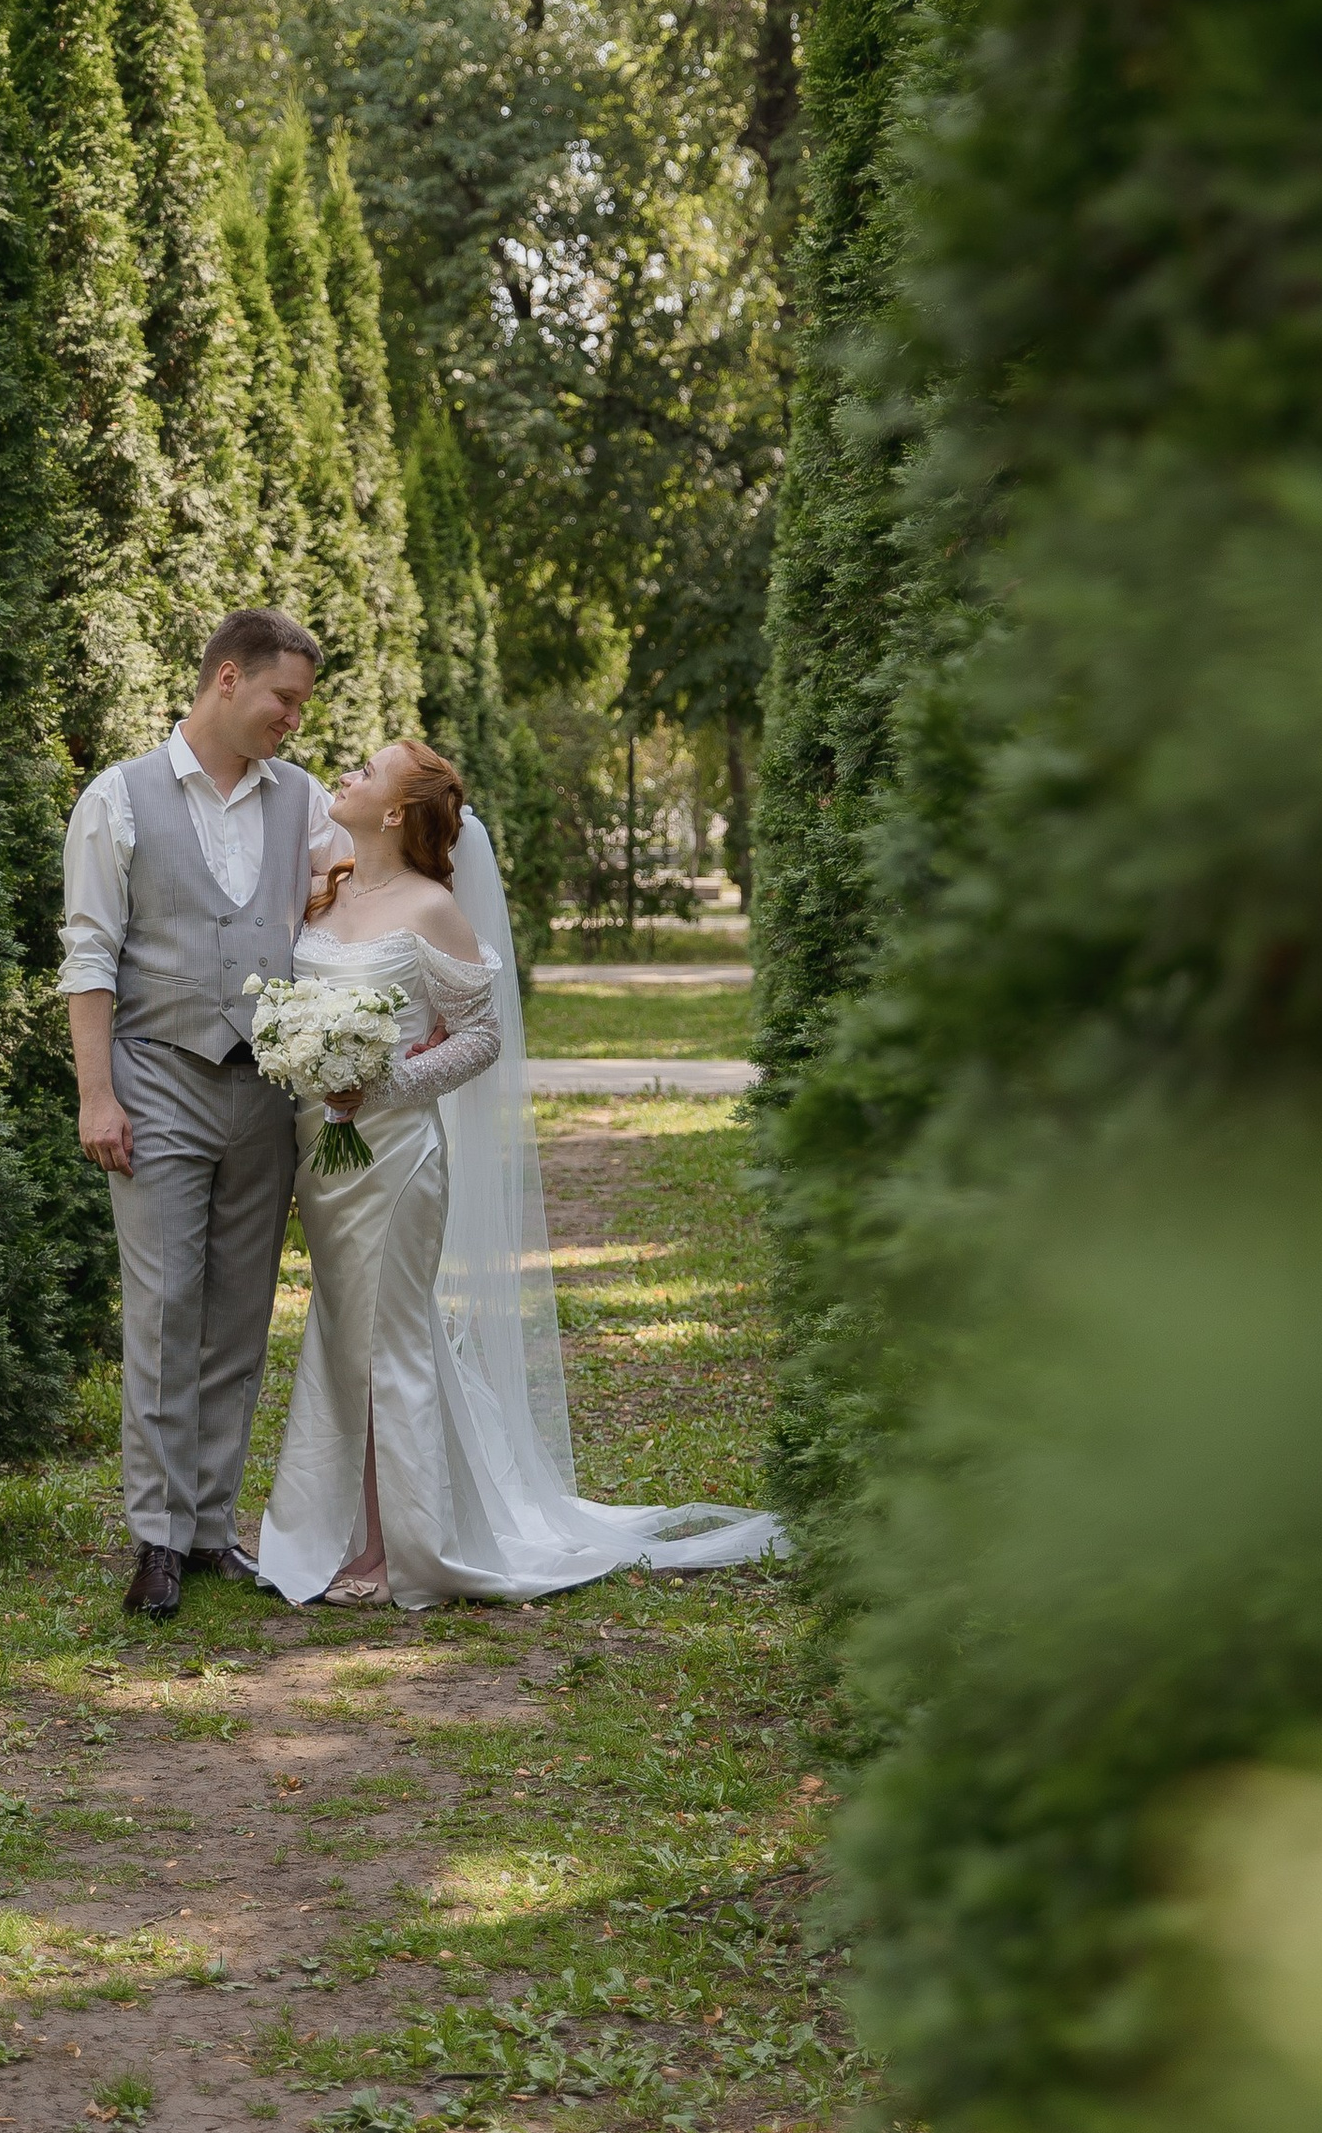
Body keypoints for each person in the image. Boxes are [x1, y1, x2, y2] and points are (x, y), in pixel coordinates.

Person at [254, 740, 788, 1607]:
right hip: (324, 1151)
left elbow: (482, 1037)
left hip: (395, 1157)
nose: (347, 775)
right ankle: (345, 1529)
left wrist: (386, 1083)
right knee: (348, 1333)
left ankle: (397, 1551)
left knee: (390, 1342)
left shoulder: (433, 909)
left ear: (395, 812)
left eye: (368, 771)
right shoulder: (325, 890)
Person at [60, 608, 345, 1621]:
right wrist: (97, 1094)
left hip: (264, 1091)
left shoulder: (304, 801)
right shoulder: (119, 797)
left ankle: (213, 1527)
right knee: (164, 1308)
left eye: (300, 705)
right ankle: (157, 1537)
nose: (293, 720)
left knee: (238, 1315)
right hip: (156, 1079)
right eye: (284, 699)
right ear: (228, 678)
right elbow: (89, 955)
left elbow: (354, 907)